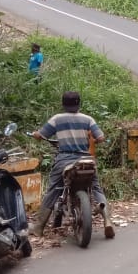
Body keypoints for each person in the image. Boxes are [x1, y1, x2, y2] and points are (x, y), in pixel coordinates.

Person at [31, 91, 114, 239]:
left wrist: (36, 134)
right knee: (96, 188)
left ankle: (38, 227)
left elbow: (42, 135)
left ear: (63, 104)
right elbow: (100, 137)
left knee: (54, 189)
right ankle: (107, 220)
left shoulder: (57, 119)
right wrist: (92, 141)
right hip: (86, 160)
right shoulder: (88, 119)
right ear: (79, 103)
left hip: (64, 160)